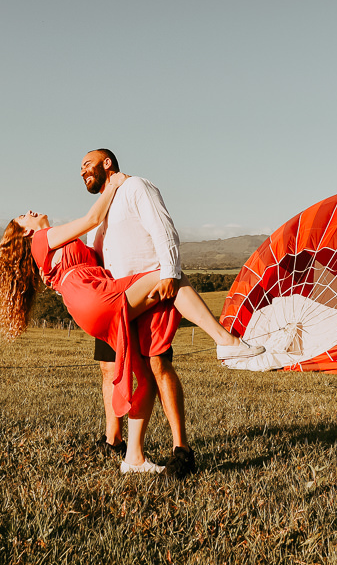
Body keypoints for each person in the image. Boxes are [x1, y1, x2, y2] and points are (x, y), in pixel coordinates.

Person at [0, 172, 262, 475]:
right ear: (25, 233)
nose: (30, 213)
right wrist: (114, 185)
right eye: (23, 217)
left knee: (144, 379)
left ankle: (134, 458)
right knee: (170, 275)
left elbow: (100, 249)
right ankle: (226, 340)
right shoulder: (43, 237)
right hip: (94, 296)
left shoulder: (55, 247)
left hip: (90, 301)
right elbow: (93, 218)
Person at [80, 149, 210, 479]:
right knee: (108, 369)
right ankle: (113, 440)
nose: (82, 171)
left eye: (86, 164)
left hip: (149, 293)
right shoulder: (103, 208)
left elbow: (163, 228)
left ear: (107, 163)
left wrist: (170, 272)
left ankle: (181, 451)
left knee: (158, 365)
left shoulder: (137, 187)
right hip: (113, 300)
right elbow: (96, 253)